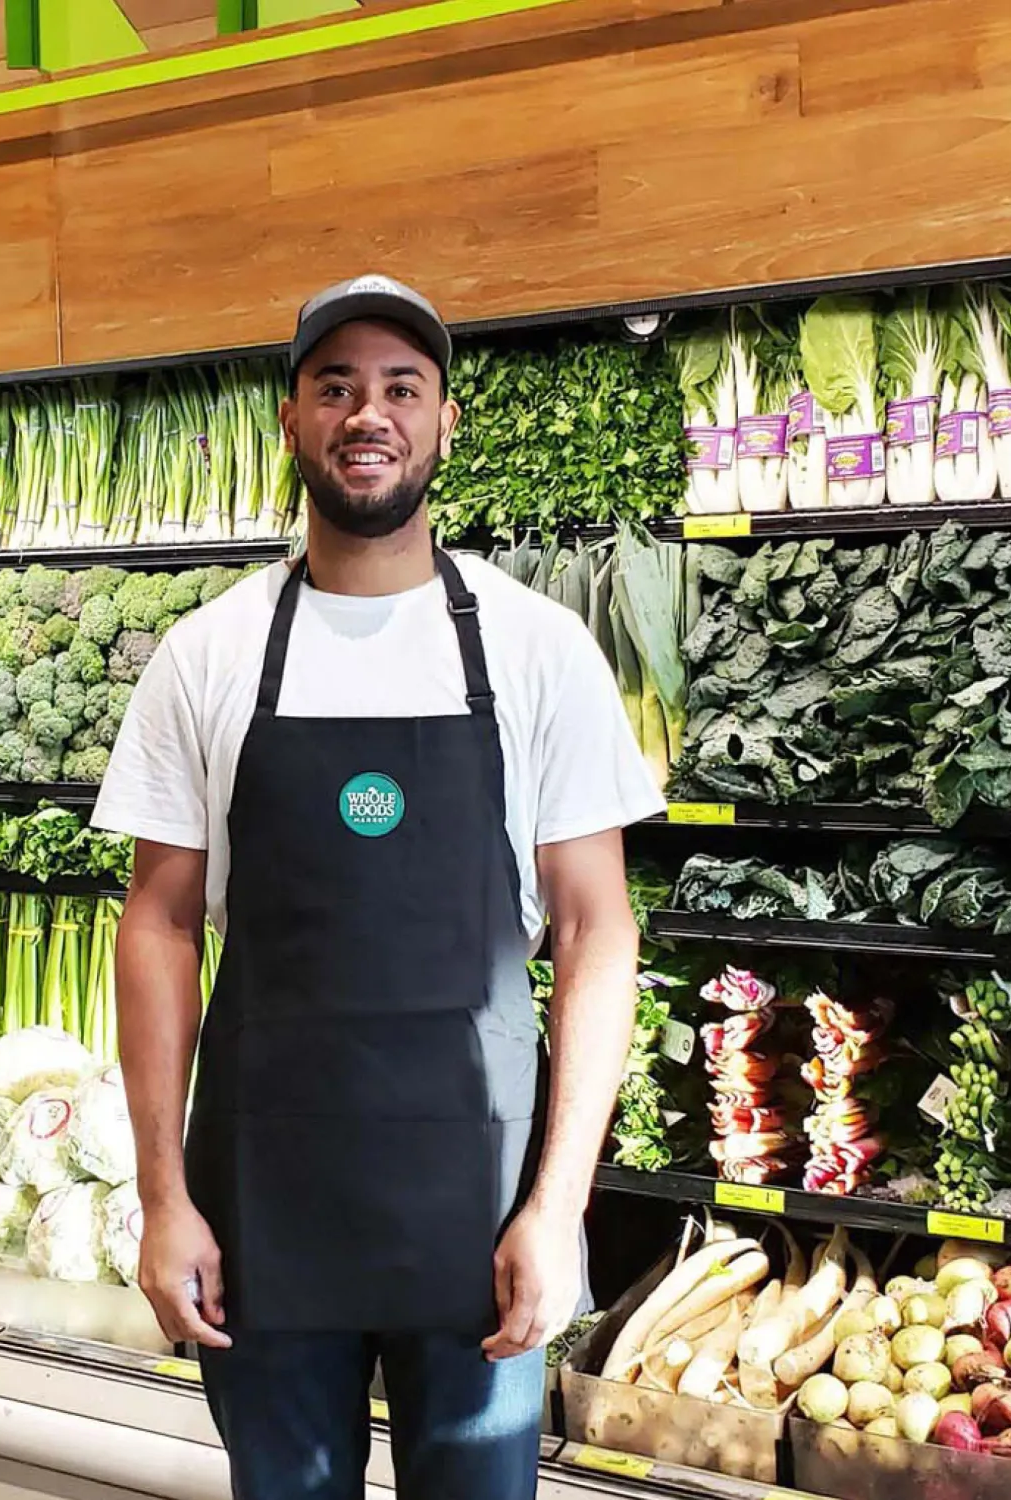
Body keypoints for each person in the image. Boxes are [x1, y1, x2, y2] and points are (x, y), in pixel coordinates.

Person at [93, 273, 665, 1500]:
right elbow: (159, 925)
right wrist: (162, 1200)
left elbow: (595, 929)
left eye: (401, 387)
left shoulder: (535, 648)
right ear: (291, 420)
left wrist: (557, 1207)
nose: (370, 414)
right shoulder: (208, 654)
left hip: (480, 1207)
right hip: (261, 1206)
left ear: (444, 422)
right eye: (336, 386)